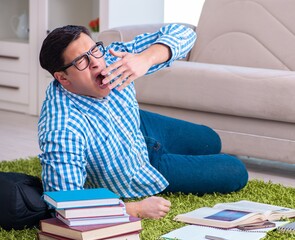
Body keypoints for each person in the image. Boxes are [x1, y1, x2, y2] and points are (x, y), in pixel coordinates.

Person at [38, 24, 248, 219]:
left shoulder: (110, 58)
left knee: (211, 140)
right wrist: (135, 208)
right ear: (63, 78)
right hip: (140, 167)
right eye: (81, 61)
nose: (95, 63)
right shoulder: (63, 127)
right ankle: (168, 158)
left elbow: (185, 33)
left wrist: (145, 58)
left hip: (137, 126)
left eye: (94, 50)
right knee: (235, 171)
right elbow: (64, 204)